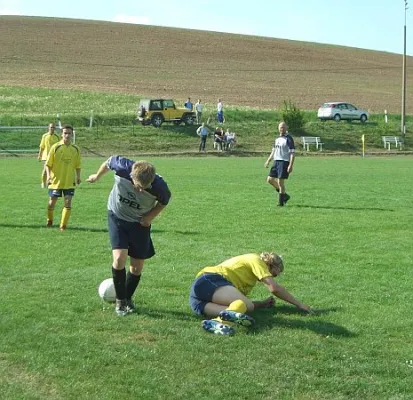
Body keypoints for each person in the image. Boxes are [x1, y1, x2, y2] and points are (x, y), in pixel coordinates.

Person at [86, 156, 171, 316]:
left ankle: (128, 299)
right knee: (119, 258)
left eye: (144, 188)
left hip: (139, 223)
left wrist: (149, 217)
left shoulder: (160, 187)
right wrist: (96, 176)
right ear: (132, 176)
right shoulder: (122, 166)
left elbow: (164, 202)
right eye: (137, 186)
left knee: (137, 266)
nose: (139, 190)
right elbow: (108, 161)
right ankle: (120, 301)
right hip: (117, 216)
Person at [189, 252, 313, 336]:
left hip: (198, 301)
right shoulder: (256, 259)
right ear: (270, 264)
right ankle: (222, 322)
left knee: (237, 310)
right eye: (274, 274)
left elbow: (239, 303)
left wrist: (262, 304)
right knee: (245, 306)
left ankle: (218, 323)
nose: (273, 276)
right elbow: (274, 288)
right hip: (210, 280)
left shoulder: (250, 279)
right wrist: (300, 305)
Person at [45, 124, 81, 231]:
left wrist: (78, 177)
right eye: (65, 133)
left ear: (72, 135)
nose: (67, 135)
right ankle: (50, 220)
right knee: (52, 202)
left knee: (68, 201)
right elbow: (48, 164)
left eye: (69, 133)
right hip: (56, 180)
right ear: (62, 134)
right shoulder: (55, 147)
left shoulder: (76, 149)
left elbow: (78, 165)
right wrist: (48, 177)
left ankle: (63, 226)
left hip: (69, 181)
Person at [264, 121, 295, 207]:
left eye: (283, 127)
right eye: (281, 127)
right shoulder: (277, 139)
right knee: (269, 180)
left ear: (286, 128)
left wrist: (290, 165)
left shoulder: (288, 139)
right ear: (278, 129)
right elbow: (273, 151)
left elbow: (292, 153)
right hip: (276, 162)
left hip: (284, 162)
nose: (282, 129)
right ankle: (284, 195)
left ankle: (281, 203)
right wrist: (268, 161)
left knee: (280, 183)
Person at [38, 122, 60, 188]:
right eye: (51, 127)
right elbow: (42, 146)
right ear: (48, 128)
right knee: (45, 170)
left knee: (53, 170)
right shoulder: (44, 136)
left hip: (54, 156)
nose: (52, 128)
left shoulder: (57, 136)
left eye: (53, 127)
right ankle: (43, 183)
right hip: (46, 156)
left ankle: (50, 182)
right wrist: (40, 155)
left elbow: (59, 146)